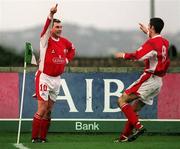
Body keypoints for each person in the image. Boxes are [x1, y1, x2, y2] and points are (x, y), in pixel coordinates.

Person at [114, 18, 170, 142]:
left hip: (149, 78)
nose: (148, 27)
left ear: (152, 28)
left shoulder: (151, 43)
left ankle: (139, 127)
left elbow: (138, 56)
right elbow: (156, 46)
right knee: (133, 110)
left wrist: (123, 55)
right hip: (158, 82)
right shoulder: (165, 42)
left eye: (149, 26)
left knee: (121, 100)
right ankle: (124, 137)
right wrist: (147, 33)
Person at [31, 4, 75, 143]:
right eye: (57, 27)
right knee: (42, 109)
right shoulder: (45, 39)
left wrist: (66, 59)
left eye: (61, 27)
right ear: (52, 28)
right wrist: (51, 14)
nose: (60, 29)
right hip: (44, 77)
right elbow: (45, 28)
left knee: (49, 110)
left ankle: (43, 138)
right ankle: (34, 138)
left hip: (57, 79)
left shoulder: (64, 42)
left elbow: (72, 49)